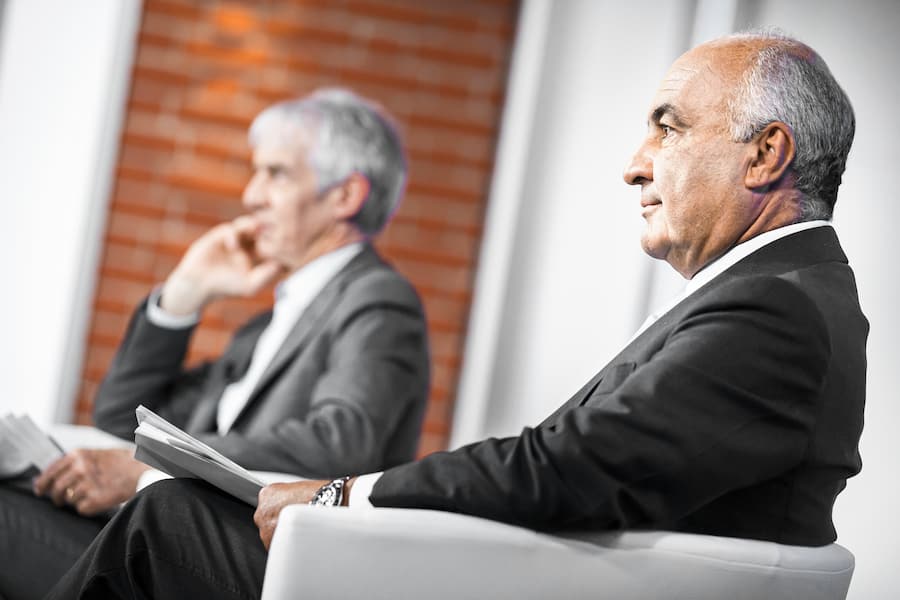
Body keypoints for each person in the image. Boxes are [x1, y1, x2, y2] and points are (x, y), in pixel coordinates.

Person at [46, 28, 867, 599]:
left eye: (669, 127)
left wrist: (338, 497)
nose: (634, 165)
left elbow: (566, 468)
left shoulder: (775, 308)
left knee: (170, 518)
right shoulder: (780, 294)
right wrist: (183, 299)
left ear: (766, 154)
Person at [0, 88, 431, 600]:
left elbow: (341, 444)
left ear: (345, 196)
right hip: (176, 541)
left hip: (246, 565)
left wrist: (151, 467)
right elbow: (119, 420)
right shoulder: (266, 327)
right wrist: (185, 293)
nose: (251, 196)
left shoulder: (378, 298)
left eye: (276, 174)